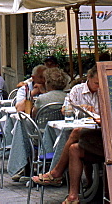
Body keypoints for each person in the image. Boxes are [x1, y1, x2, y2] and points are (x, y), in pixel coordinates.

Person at [33, 66, 102, 200]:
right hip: (89, 133)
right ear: (88, 78)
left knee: (76, 134)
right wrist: (81, 109)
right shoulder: (77, 90)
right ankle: (74, 194)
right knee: (74, 146)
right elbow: (65, 110)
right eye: (96, 83)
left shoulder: (105, 91)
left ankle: (57, 172)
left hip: (100, 134)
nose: (98, 87)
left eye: (100, 83)